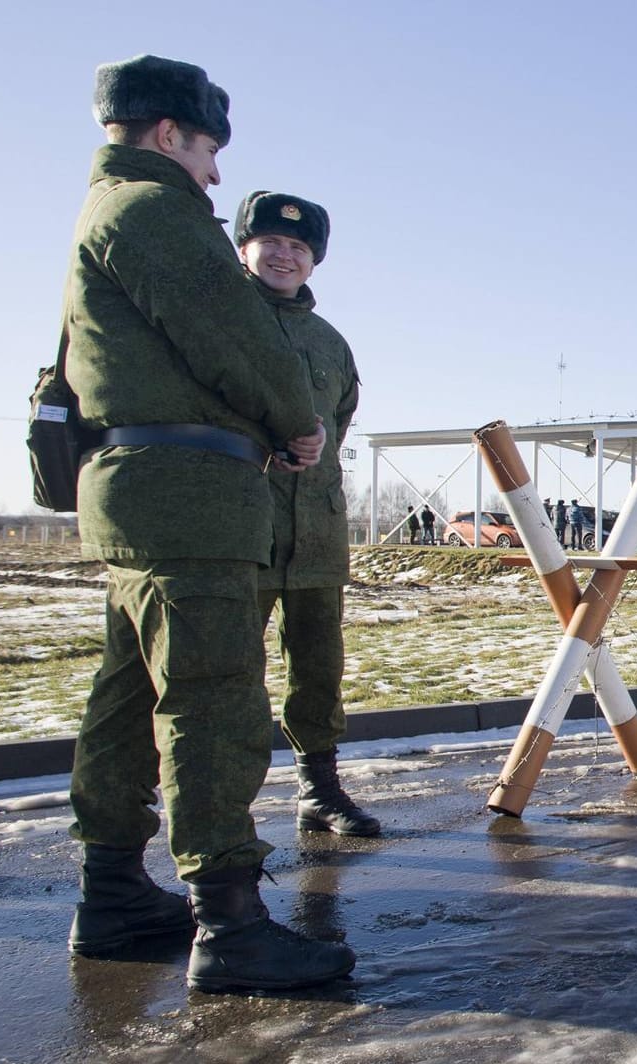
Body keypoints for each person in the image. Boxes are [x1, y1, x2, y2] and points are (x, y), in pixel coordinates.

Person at [62, 55, 354, 992]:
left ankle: (110, 895)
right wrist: (295, 420)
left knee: (127, 698)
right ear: (166, 135)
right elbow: (237, 340)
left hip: (145, 495)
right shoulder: (155, 212)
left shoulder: (108, 212)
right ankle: (229, 928)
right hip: (190, 500)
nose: (216, 176)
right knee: (214, 701)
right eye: (208, 150)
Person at [235, 191, 378, 838]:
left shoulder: (329, 341)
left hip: (315, 531)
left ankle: (318, 789)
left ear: (314, 263)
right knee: (230, 670)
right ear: (245, 248)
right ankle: (222, 815)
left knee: (319, 665)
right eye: (273, 243)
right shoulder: (219, 318)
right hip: (241, 526)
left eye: (300, 249)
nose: (285, 256)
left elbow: (340, 419)